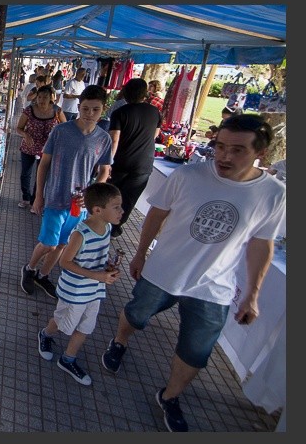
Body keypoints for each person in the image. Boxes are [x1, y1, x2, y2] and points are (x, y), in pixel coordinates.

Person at [100, 114, 286, 432]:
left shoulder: (272, 194)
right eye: (220, 147)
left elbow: (261, 244)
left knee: (196, 350)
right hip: (163, 272)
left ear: (261, 154)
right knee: (135, 315)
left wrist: (252, 294)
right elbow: (156, 215)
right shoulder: (188, 175)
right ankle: (119, 341)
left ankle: (170, 396)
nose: (225, 156)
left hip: (215, 286)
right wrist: (141, 253)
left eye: (237, 150)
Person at [20, 84, 113, 298]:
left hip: (79, 205)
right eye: (86, 108)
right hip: (54, 197)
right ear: (78, 107)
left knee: (62, 244)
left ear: (103, 110)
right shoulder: (60, 131)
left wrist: (90, 197)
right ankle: (30, 268)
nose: (90, 114)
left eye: (96, 109)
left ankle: (44, 275)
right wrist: (39, 196)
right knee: (48, 244)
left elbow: (104, 171)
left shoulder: (103, 139)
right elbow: (43, 164)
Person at [37, 182, 123, 385]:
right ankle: (46, 334)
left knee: (86, 325)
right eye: (117, 207)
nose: (122, 211)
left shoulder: (107, 228)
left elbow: (96, 255)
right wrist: (97, 276)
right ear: (97, 210)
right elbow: (65, 262)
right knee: (62, 319)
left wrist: (108, 266)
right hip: (75, 290)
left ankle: (68, 358)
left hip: (94, 290)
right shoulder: (80, 233)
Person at [107, 78, 162, 238]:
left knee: (112, 195)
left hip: (122, 162)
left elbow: (114, 139)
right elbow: (155, 135)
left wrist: (108, 161)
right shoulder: (154, 111)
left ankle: (105, 225)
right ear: (144, 94)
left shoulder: (120, 112)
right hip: (144, 163)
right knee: (129, 199)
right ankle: (115, 227)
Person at [14, 85, 66, 209]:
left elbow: (65, 128)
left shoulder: (57, 111)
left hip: (47, 150)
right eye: (40, 97)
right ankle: (25, 197)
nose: (42, 100)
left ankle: (35, 201)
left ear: (51, 98)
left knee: (41, 175)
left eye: (45, 97)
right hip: (29, 147)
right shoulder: (29, 110)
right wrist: (26, 135)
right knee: (25, 174)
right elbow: (18, 128)